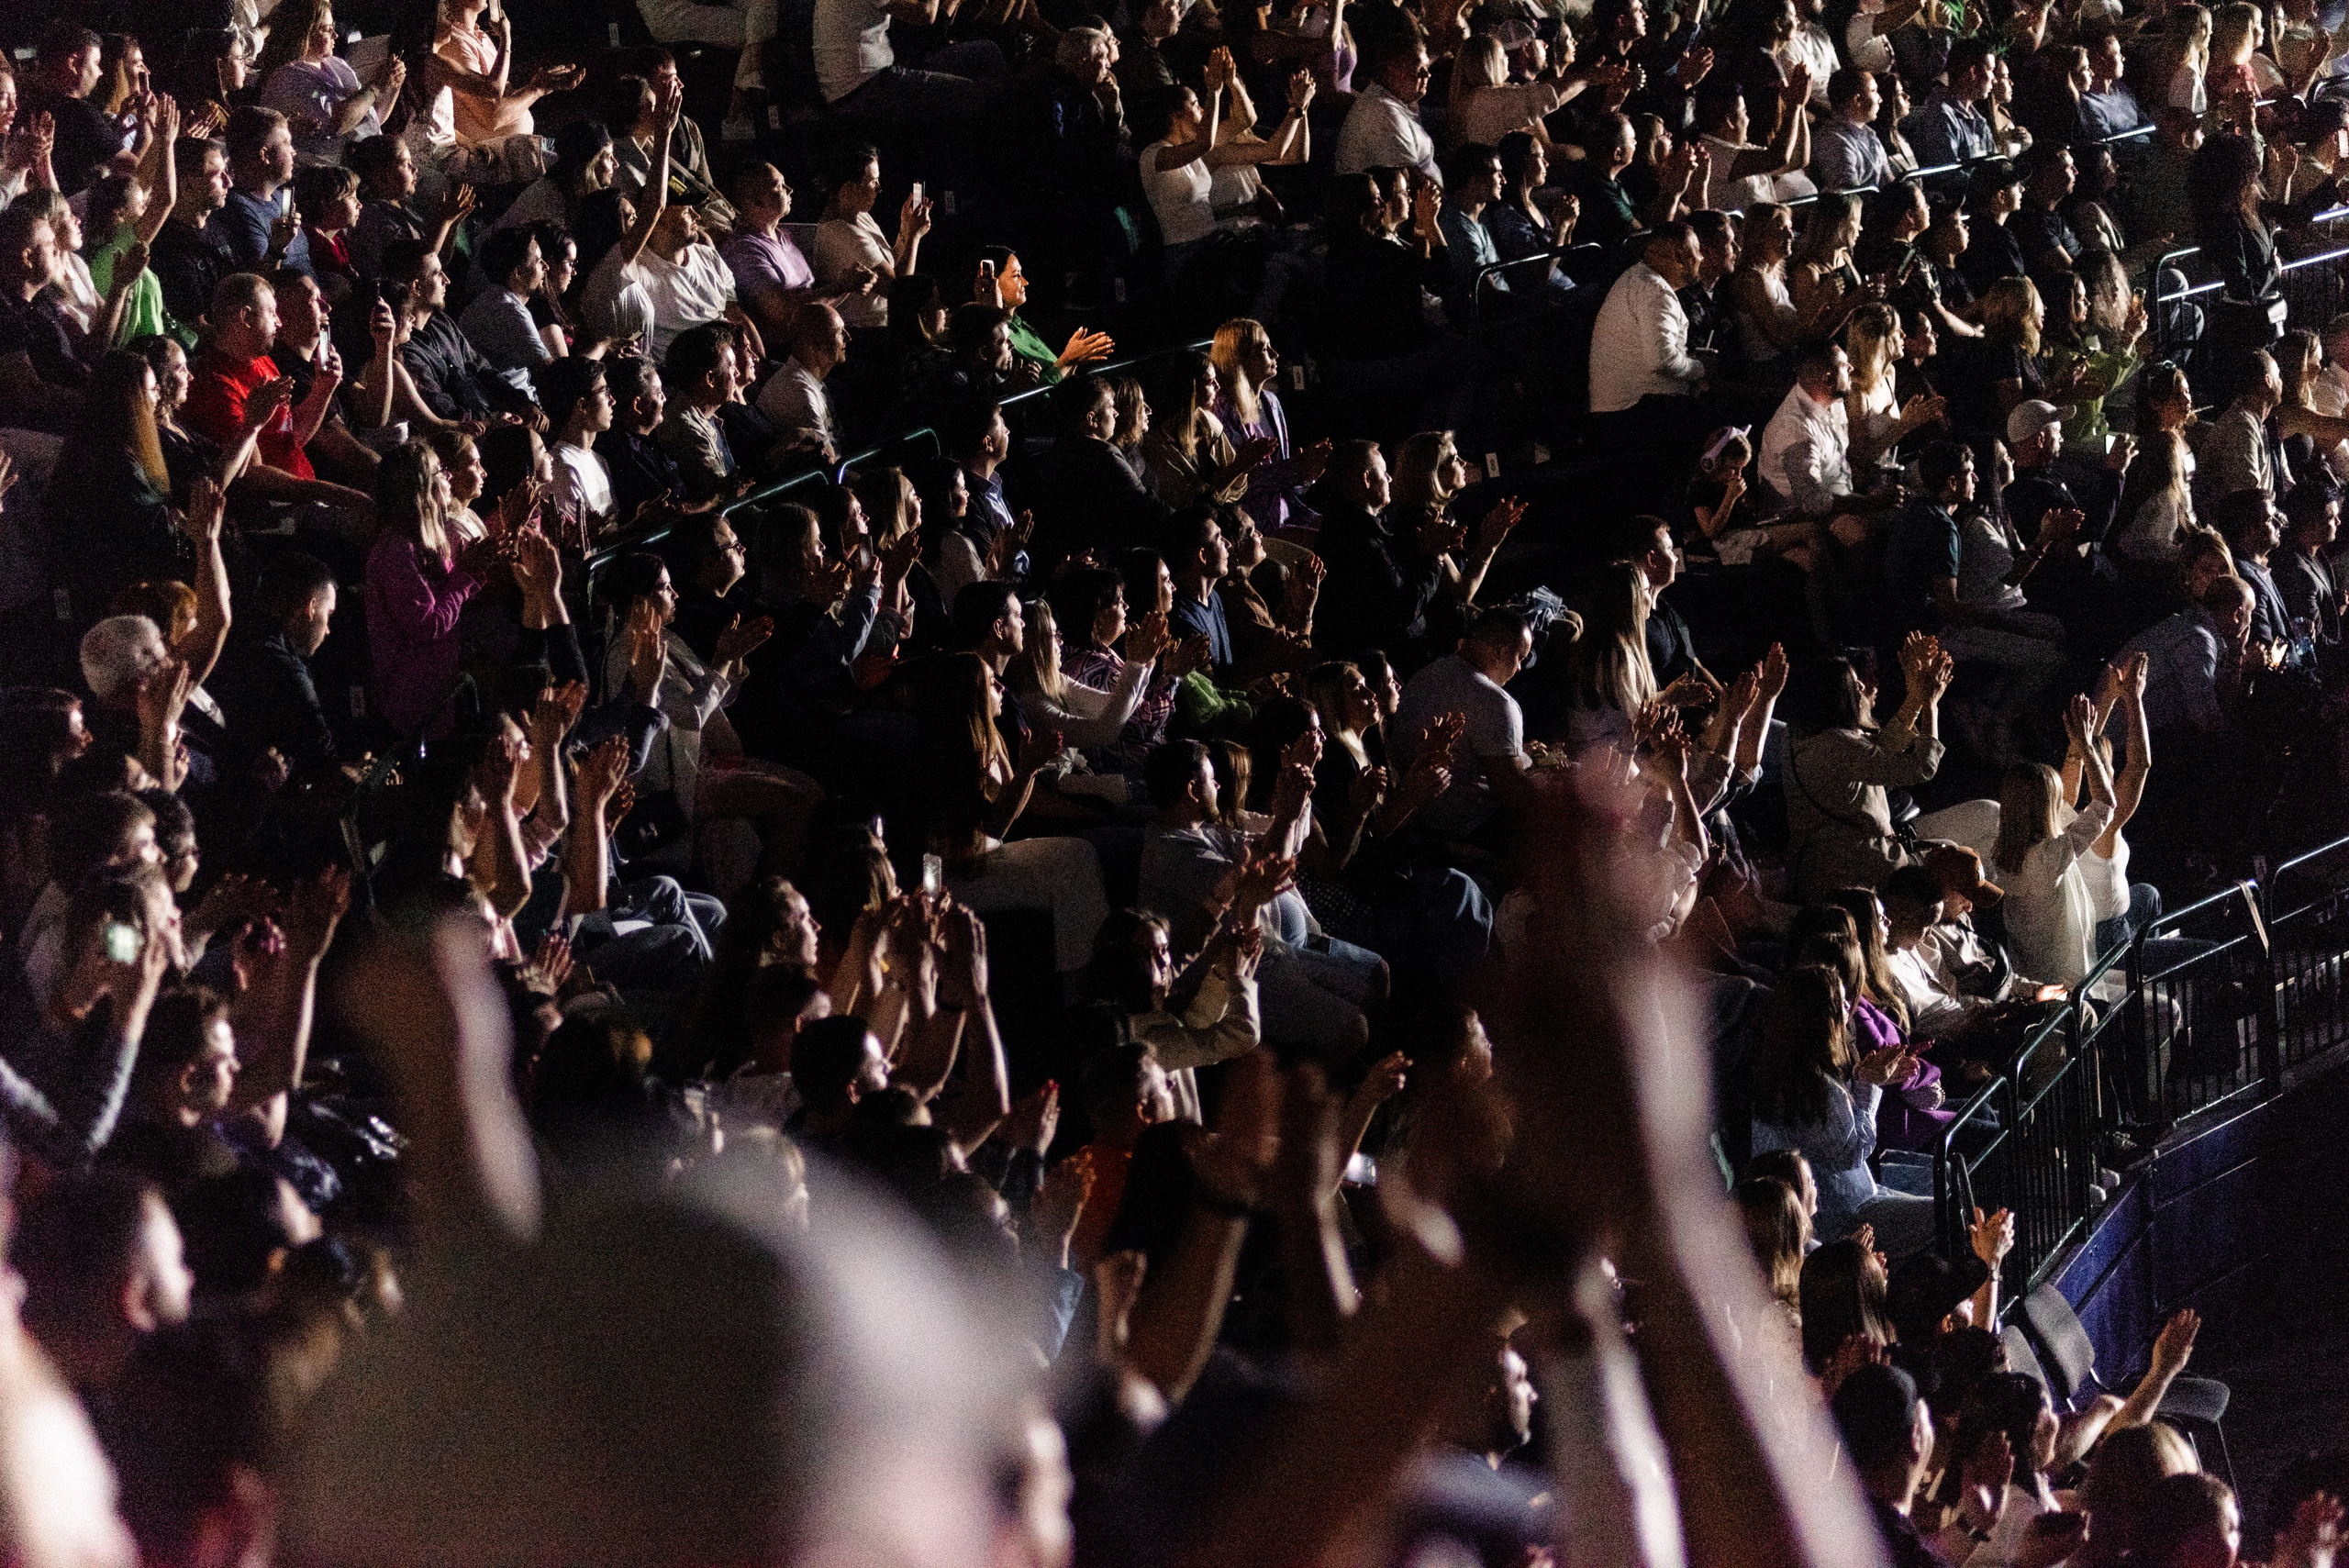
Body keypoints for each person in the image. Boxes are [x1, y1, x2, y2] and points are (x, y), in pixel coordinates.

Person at [1748, 965, 1936, 1256]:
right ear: (1823, 1017)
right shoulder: (1808, 1085)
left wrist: (1866, 1080)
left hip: (1863, 1192)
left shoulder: (1787, 1071)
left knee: (1948, 1187)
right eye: (1841, 1000)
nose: (1850, 1005)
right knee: (1946, 1214)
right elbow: (1852, 1152)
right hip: (1845, 1216)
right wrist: (1870, 1084)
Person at [1589, 221, 1708, 431]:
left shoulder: (1639, 279)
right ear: (1679, 258)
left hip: (1631, 409)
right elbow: (1662, 360)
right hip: (1632, 414)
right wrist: (1701, 369)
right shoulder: (1655, 291)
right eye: (1697, 251)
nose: (1701, 258)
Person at [256, 0, 403, 165]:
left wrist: (392, 84)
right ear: (304, 33)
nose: (336, 35)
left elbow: (370, 118)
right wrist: (375, 87)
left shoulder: (336, 65)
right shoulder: (288, 77)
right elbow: (338, 123)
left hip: (364, 159)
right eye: (327, 30)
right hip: (326, 171)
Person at [813, 144, 931, 334]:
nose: (879, 188)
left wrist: (906, 230)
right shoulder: (842, 232)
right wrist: (914, 238)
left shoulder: (860, 216)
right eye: (873, 182)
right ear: (848, 189)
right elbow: (898, 291)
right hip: (867, 332)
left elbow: (891, 266)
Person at [1334, 30, 1439, 183]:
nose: (1427, 74)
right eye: (1419, 68)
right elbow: (1414, 182)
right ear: (1393, 70)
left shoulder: (1402, 101)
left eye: (1426, 67)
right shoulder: (1383, 113)